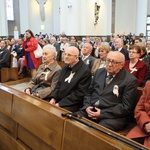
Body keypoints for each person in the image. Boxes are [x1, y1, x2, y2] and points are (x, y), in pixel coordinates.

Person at [75, 51, 137, 131]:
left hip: (112, 116)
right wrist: (87, 106)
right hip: (92, 109)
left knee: (97, 131)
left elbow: (126, 107)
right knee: (73, 120)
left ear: (122, 65)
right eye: (108, 60)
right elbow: (89, 92)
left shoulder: (130, 80)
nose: (110, 64)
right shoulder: (99, 72)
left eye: (114, 62)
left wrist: (102, 113)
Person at [49, 46, 92, 112]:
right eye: (65, 54)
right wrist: (53, 98)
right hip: (59, 100)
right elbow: (58, 85)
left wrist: (60, 104)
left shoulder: (85, 71)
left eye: (69, 55)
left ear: (76, 57)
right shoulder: (65, 67)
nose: (65, 56)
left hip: (72, 104)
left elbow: (79, 94)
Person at [126, 81, 150, 148]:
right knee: (124, 145)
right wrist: (146, 123)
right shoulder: (149, 84)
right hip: (144, 128)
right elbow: (139, 108)